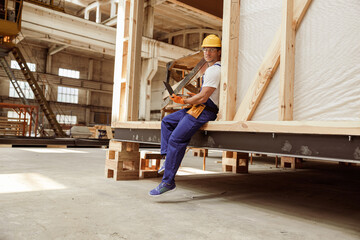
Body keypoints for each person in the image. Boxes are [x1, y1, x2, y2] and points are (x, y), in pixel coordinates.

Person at [149, 34, 222, 196]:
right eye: (205, 49)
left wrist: (184, 101)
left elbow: (203, 97)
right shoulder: (209, 71)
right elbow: (202, 95)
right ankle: (167, 159)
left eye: (211, 50)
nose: (207, 53)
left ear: (219, 52)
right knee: (167, 121)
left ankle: (168, 182)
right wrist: (184, 99)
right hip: (198, 107)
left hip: (205, 110)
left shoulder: (215, 71)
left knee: (176, 139)